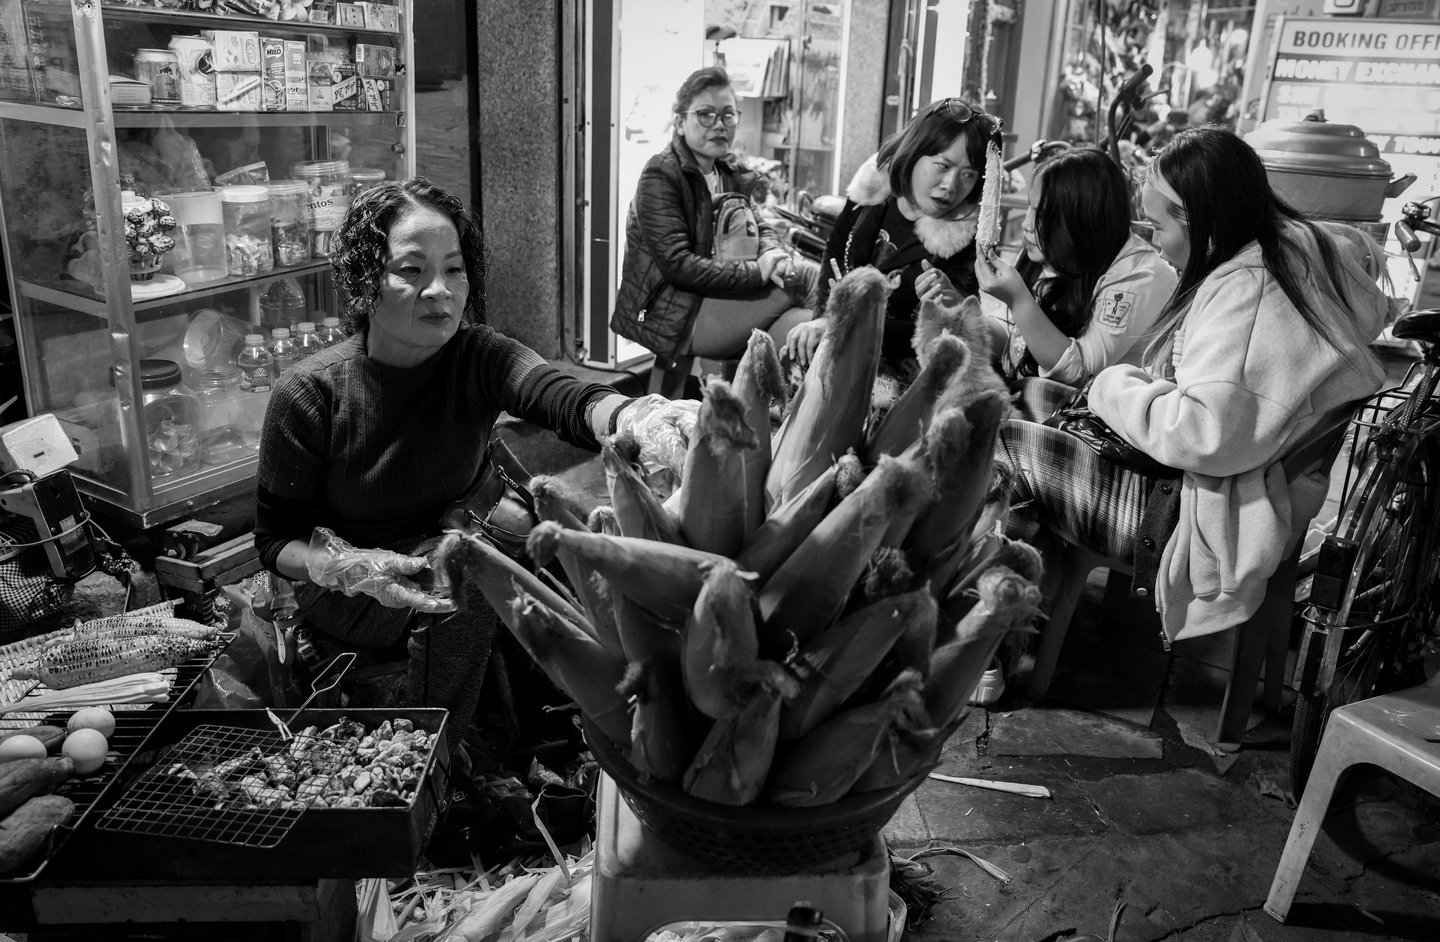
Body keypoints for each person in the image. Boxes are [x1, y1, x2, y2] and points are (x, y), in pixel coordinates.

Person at [253, 176, 678, 749]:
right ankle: (435, 755)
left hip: (466, 530)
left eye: (454, 268)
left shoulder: (478, 356)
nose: (440, 290)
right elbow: (275, 544)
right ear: (364, 281)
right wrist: (347, 566)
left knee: (571, 553)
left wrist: (633, 416)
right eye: (411, 270)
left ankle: (584, 734)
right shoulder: (310, 394)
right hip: (357, 582)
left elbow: (562, 395)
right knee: (469, 581)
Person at [996, 126, 1390, 642]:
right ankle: (1022, 610)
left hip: (1193, 514)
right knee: (1025, 396)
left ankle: (991, 640)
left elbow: (1201, 435)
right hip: (1215, 486)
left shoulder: (1248, 290)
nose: (1155, 244)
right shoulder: (1289, 249)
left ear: (1201, 220)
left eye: (1159, 227)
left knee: (1003, 442)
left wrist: (1116, 385)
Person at [610, 66, 811, 387]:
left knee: (804, 322)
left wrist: (773, 252)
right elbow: (679, 266)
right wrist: (758, 272)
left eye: (728, 115)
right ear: (679, 121)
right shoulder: (661, 174)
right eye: (705, 114)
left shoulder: (726, 171)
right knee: (807, 280)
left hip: (721, 296)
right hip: (676, 312)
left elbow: (760, 225)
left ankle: (770, 420)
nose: (718, 125)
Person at [783, 97, 1000, 373]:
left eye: (968, 175)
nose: (951, 185)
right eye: (943, 166)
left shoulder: (966, 238)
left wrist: (842, 329)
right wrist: (823, 320)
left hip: (898, 366)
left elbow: (935, 332)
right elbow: (836, 251)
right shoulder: (872, 187)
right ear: (915, 152)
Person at [958, 147, 1177, 400]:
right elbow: (1018, 342)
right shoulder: (1053, 250)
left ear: (1083, 219)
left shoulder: (1139, 277)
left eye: (1042, 215)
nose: (1027, 225)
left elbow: (1077, 375)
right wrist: (962, 316)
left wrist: (1018, 298)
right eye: (1030, 208)